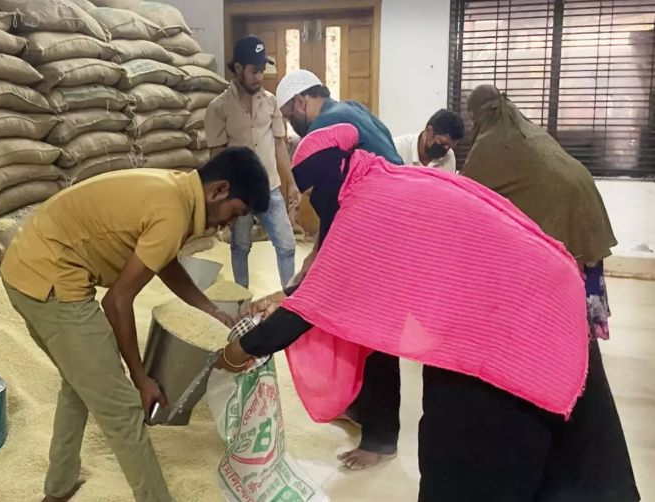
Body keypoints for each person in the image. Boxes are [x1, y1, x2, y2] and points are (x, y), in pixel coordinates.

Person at [222, 123, 639, 502]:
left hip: (504, 333)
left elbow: (311, 307)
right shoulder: (388, 180)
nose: (308, 206)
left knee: (464, 456)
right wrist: (288, 295)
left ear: (324, 182)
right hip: (554, 302)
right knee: (572, 470)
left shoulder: (365, 206)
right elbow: (332, 285)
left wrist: (237, 353)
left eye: (309, 194)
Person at [0, 148, 271, 502]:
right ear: (219, 191)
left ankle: (59, 488)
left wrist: (208, 309)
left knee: (81, 384)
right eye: (235, 213)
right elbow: (117, 301)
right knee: (123, 406)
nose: (229, 224)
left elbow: (163, 260)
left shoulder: (175, 189)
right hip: (51, 279)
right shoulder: (172, 211)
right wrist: (139, 378)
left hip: (27, 267)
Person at [273, 68, 404, 470]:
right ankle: (359, 406)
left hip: (378, 237)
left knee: (375, 333)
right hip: (389, 224)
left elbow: (335, 208)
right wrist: (314, 259)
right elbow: (338, 206)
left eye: (287, 115)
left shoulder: (324, 133)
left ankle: (381, 440)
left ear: (300, 102)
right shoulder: (354, 111)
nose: (290, 126)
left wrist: (313, 265)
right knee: (353, 324)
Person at [463, 84, 618, 341]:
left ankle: (562, 336)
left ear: (478, 114)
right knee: (582, 265)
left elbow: (470, 186)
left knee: (560, 273)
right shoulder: (526, 128)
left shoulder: (491, 139)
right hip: (584, 196)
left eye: (472, 119)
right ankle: (584, 330)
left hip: (564, 203)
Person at [206, 35, 300, 289]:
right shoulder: (218, 108)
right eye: (254, 71)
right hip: (239, 193)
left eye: (262, 71)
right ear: (238, 69)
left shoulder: (271, 103)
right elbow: (217, 157)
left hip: (270, 187)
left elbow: (280, 146)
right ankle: (241, 300)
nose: (259, 77)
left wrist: (291, 184)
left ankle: (289, 304)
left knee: (287, 246)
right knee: (240, 247)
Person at [393, 109, 465, 172]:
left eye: (449, 147)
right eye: (443, 143)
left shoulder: (449, 157)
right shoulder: (397, 149)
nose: (446, 149)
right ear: (429, 131)